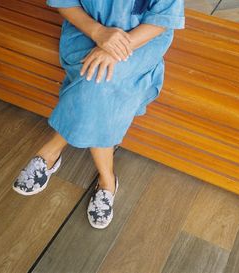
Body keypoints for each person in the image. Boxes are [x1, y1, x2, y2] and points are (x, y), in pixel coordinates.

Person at [12, 0, 185, 229]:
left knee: (98, 81)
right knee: (98, 82)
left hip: (141, 41)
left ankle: (51, 152)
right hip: (86, 31)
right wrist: (100, 33)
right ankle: (107, 180)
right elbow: (65, 3)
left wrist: (118, 48)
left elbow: (161, 20)